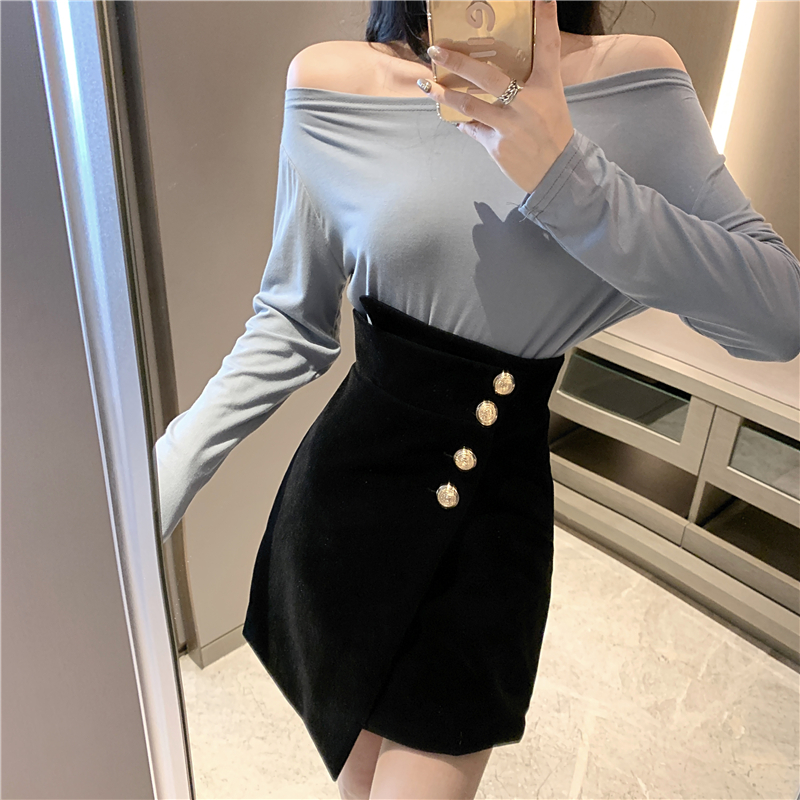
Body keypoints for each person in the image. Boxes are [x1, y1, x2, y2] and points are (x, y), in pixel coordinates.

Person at [154, 1, 800, 798]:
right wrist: (158, 477)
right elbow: (291, 320)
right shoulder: (330, 82)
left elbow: (779, 317)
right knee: (354, 781)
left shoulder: (634, 79)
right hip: (342, 515)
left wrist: (568, 178)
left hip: (489, 534)